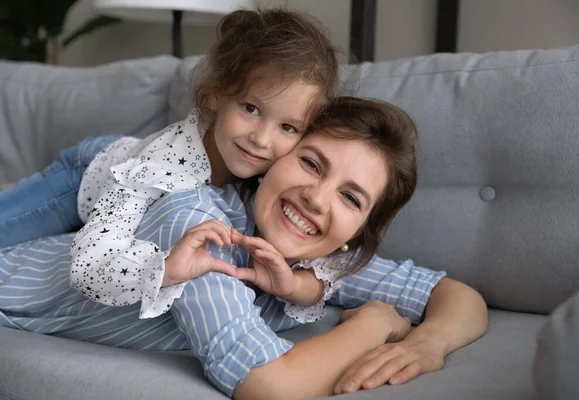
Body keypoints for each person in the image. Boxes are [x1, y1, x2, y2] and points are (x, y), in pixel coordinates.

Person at [0, 97, 488, 399]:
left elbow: (458, 297)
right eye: (312, 164)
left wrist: (429, 344)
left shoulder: (324, 258)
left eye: (350, 197)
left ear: (358, 231)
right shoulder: (201, 229)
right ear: (273, 160)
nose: (316, 199)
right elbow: (268, 385)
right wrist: (376, 326)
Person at [0, 8, 339, 272]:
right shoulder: (166, 164)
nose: (262, 140)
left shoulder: (277, 175)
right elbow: (92, 258)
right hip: (84, 179)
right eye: (251, 108)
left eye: (288, 128)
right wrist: (159, 271)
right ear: (216, 96)